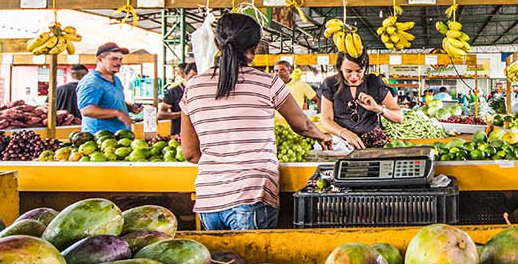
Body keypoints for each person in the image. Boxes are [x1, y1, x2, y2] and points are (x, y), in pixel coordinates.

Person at [181, 14, 331, 230]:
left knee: (220, 263)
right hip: (253, 193)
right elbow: (302, 125)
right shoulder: (268, 82)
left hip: (209, 198)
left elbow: (190, 153)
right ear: (256, 46)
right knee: (253, 263)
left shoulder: (193, 87)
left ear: (217, 43)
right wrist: (323, 136)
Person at [318, 50, 404, 149]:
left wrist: (378, 109)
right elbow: (326, 119)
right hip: (341, 144)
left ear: (365, 68)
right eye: (348, 71)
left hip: (372, 145)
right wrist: (345, 133)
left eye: (359, 71)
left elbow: (399, 117)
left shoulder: (374, 83)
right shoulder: (330, 84)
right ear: (340, 67)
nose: (354, 76)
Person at [78, 43, 140, 133]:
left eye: (120, 59)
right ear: (100, 59)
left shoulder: (116, 79)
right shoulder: (92, 82)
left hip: (121, 137)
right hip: (99, 139)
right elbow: (87, 110)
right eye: (114, 59)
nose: (118, 63)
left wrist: (129, 107)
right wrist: (117, 113)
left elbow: (111, 102)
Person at [157, 62, 196, 136]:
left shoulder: (201, 91)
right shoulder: (173, 91)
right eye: (192, 77)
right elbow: (161, 114)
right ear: (184, 75)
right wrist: (182, 114)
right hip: (177, 134)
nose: (195, 81)